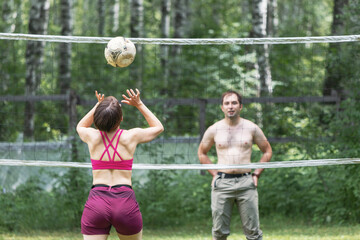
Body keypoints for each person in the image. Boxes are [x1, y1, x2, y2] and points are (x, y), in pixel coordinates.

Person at [76, 89, 164, 240]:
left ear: (97, 119)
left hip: (97, 201)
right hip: (124, 201)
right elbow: (158, 127)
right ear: (121, 119)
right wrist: (139, 104)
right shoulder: (131, 136)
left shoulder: (91, 136)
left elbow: (80, 126)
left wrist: (98, 105)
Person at [198, 90, 272, 240]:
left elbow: (267, 151)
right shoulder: (214, 129)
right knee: (219, 233)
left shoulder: (251, 128)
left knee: (253, 233)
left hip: (246, 182)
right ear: (222, 107)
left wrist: (256, 174)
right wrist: (215, 174)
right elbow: (202, 153)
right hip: (222, 184)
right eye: (227, 103)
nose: (230, 106)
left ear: (240, 106)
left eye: (234, 103)